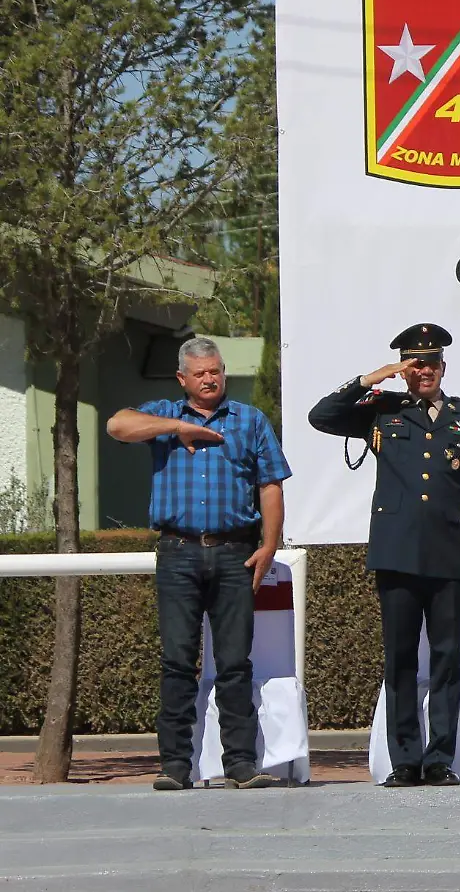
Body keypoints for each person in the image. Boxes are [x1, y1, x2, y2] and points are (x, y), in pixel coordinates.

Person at [308, 324, 460, 787]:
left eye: (430, 363)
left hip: (449, 553)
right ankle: (405, 759)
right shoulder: (382, 411)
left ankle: (440, 758)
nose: (423, 371)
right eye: (414, 364)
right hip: (395, 553)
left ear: (443, 367)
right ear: (404, 369)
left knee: (447, 659)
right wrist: (373, 378)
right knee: (400, 660)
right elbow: (321, 416)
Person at [106, 337, 292, 791]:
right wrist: (175, 428)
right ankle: (174, 765)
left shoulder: (249, 421)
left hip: (234, 554)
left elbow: (271, 485)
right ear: (182, 378)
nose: (210, 379)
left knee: (234, 663)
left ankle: (241, 764)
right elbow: (117, 425)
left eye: (216, 370)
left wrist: (268, 546)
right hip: (178, 554)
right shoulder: (162, 414)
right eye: (201, 373)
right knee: (176, 661)